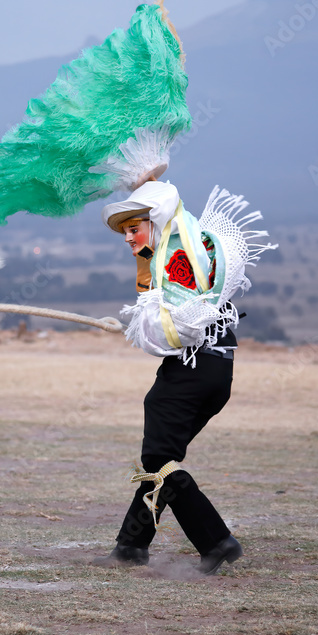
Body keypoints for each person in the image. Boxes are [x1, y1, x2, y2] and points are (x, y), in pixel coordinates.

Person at [93, 177, 245, 576]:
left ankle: (216, 541)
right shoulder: (182, 246)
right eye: (124, 231)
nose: (128, 238)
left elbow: (172, 333)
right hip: (212, 370)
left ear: (155, 221)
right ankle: (131, 545)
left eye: (133, 228)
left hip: (193, 369)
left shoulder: (178, 259)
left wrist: (136, 323)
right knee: (160, 457)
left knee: (159, 458)